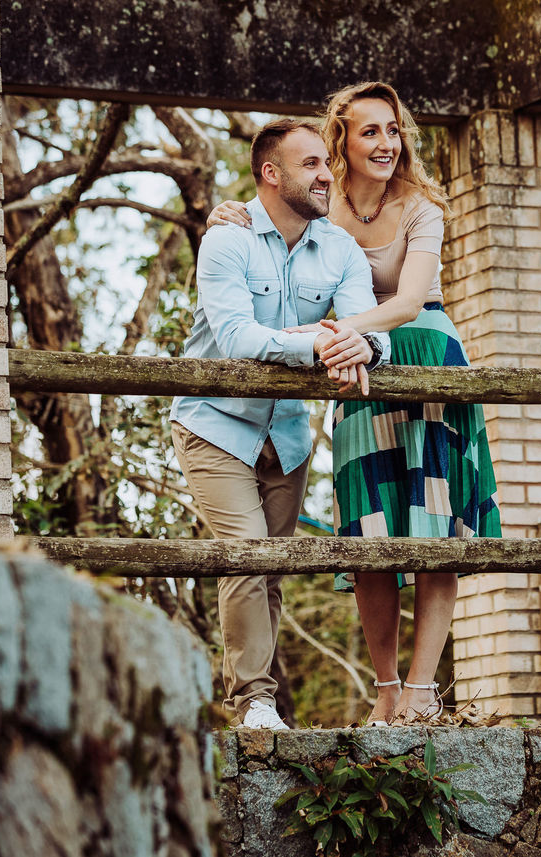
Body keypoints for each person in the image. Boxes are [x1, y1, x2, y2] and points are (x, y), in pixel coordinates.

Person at [209, 82, 501, 727]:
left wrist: (338, 338)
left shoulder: (423, 206)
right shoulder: (321, 203)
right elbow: (269, 229)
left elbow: (407, 301)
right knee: (371, 527)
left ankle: (424, 689)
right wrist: (227, 212)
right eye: (370, 131)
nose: (386, 143)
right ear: (340, 137)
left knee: (432, 524)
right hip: (355, 370)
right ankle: (387, 687)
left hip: (421, 355)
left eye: (393, 130)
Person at [173, 118, 389, 730]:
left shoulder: (341, 249)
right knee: (246, 556)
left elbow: (364, 329)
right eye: (312, 165)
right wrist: (318, 346)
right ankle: (254, 702)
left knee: (273, 568)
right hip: (215, 424)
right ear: (271, 173)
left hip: (288, 434)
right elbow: (238, 338)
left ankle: (257, 700)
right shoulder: (227, 240)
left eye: (328, 162)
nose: (328, 175)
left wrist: (363, 350)